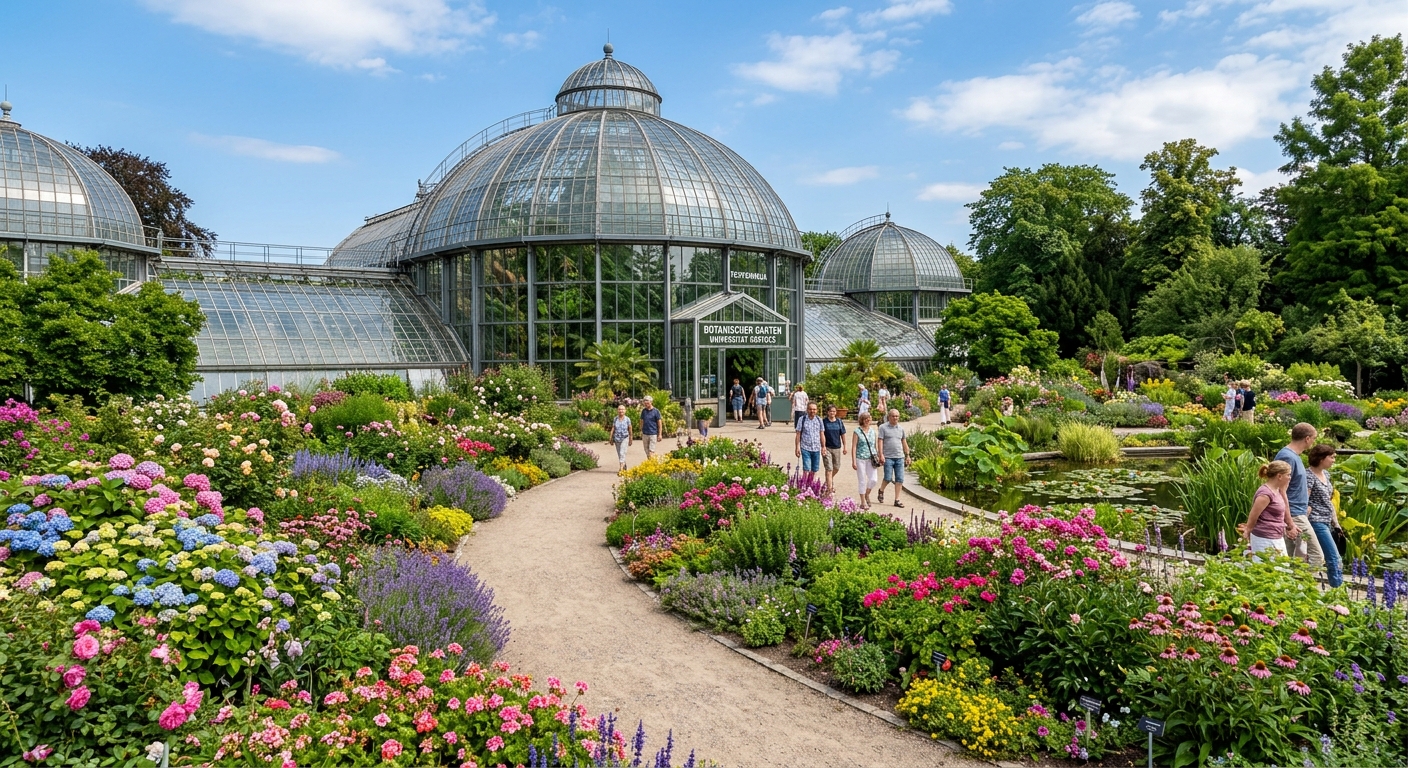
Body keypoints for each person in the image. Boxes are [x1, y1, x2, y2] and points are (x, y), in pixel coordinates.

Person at [1277, 423, 1323, 565]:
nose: (1313, 442)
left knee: (1289, 558)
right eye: (1314, 439)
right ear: (1307, 439)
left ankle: (1291, 585)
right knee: (1316, 556)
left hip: (1299, 512)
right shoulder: (1288, 457)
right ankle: (1303, 583)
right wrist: (1289, 522)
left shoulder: (1294, 456)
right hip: (1294, 514)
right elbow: (1280, 490)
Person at [1241, 460, 1297, 559]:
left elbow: (1284, 508)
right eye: (1288, 475)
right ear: (1279, 476)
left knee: (1282, 568)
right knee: (1267, 568)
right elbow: (1253, 515)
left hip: (1276, 536)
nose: (1290, 478)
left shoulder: (1277, 490)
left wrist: (1290, 525)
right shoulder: (1265, 494)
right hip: (1264, 537)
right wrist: (1247, 531)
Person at [1306, 443, 1343, 588]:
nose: (1334, 460)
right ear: (1321, 458)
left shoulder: (1326, 474)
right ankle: (1337, 590)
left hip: (1327, 520)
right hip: (1315, 521)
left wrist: (1336, 523)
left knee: (1332, 557)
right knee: (1333, 557)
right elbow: (1304, 499)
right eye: (1332, 457)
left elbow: (1328, 500)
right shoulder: (1308, 476)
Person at [876, 408, 911, 509]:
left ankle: (897, 499)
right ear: (889, 417)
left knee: (899, 479)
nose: (895, 418)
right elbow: (880, 441)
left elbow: (904, 442)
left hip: (899, 457)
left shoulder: (901, 429)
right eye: (893, 416)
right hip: (888, 457)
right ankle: (881, 490)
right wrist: (881, 454)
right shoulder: (883, 428)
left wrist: (908, 455)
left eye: (897, 416)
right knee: (888, 478)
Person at [851, 411, 880, 510]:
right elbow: (854, 447)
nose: (868, 420)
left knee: (874, 479)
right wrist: (854, 461)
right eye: (865, 418)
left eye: (869, 418)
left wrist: (879, 456)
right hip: (860, 459)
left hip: (871, 458)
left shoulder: (873, 431)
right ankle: (863, 502)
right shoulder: (857, 431)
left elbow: (874, 446)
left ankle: (867, 494)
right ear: (862, 420)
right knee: (862, 480)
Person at [821, 404, 847, 495]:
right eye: (831, 411)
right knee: (829, 469)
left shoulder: (839, 422)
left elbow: (843, 434)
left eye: (834, 411)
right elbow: (822, 434)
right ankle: (829, 489)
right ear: (828, 412)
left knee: (836, 467)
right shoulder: (824, 422)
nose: (832, 413)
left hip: (837, 447)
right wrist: (823, 446)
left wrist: (845, 446)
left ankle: (828, 482)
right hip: (827, 447)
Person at [795, 402, 823, 484]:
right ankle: (804, 485)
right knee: (806, 468)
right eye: (810, 409)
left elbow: (822, 433)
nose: (812, 411)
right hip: (805, 448)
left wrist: (823, 446)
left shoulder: (819, 420)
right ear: (807, 410)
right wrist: (797, 447)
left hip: (816, 448)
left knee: (815, 469)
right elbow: (798, 434)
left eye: (814, 409)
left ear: (816, 410)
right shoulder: (802, 419)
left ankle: (813, 486)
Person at [610, 404, 632, 473]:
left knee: (622, 452)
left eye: (622, 409)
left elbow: (630, 429)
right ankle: (624, 464)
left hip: (625, 438)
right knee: (619, 453)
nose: (621, 411)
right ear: (617, 410)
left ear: (625, 411)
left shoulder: (627, 419)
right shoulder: (615, 419)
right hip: (617, 438)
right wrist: (610, 438)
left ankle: (621, 468)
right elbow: (613, 428)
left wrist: (631, 438)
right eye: (619, 409)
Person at [639, 396, 661, 460]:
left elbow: (659, 423)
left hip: (653, 433)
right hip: (645, 433)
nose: (646, 405)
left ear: (651, 402)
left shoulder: (656, 411)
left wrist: (659, 434)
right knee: (647, 451)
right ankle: (651, 463)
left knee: (651, 451)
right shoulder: (643, 411)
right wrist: (641, 430)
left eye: (647, 403)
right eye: (645, 404)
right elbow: (641, 421)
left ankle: (652, 464)